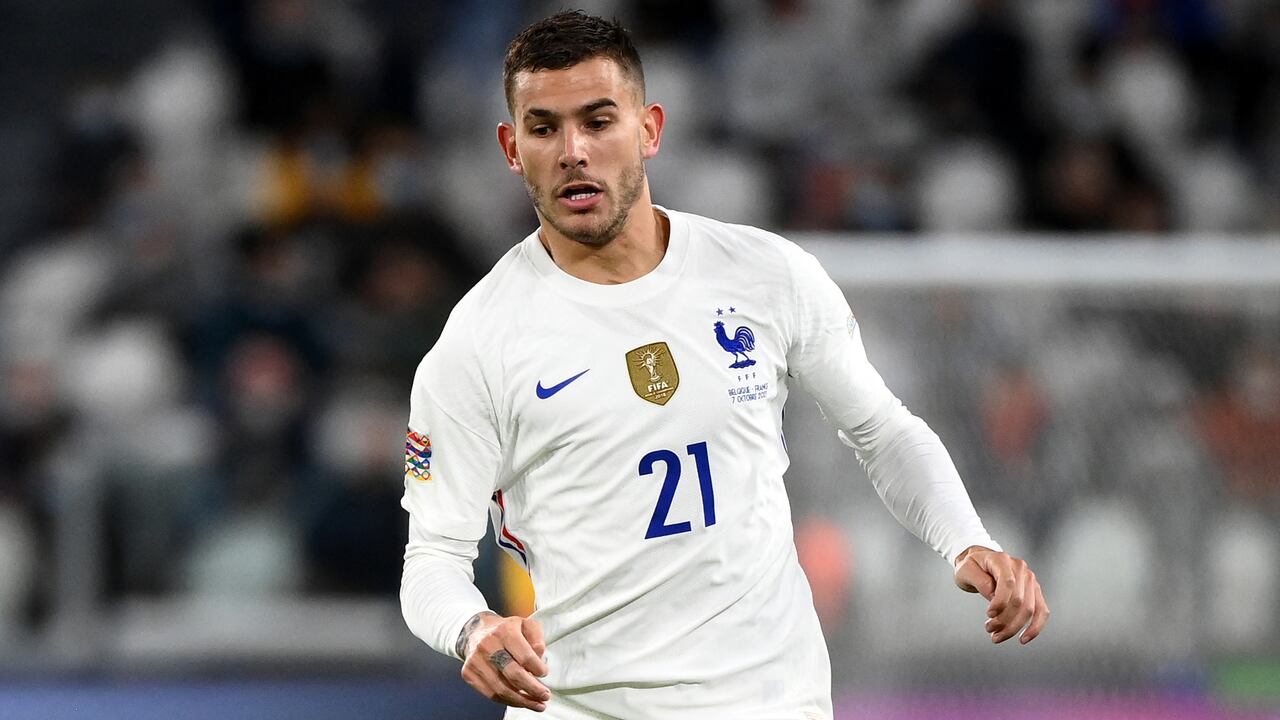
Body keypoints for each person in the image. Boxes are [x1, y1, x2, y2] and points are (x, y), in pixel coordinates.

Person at [399, 10, 1048, 719]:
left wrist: (966, 540)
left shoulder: (765, 274)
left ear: (649, 129)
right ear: (511, 147)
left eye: (598, 121)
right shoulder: (477, 344)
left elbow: (881, 430)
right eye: (544, 128)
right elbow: (431, 559)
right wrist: (471, 628)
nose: (573, 151)